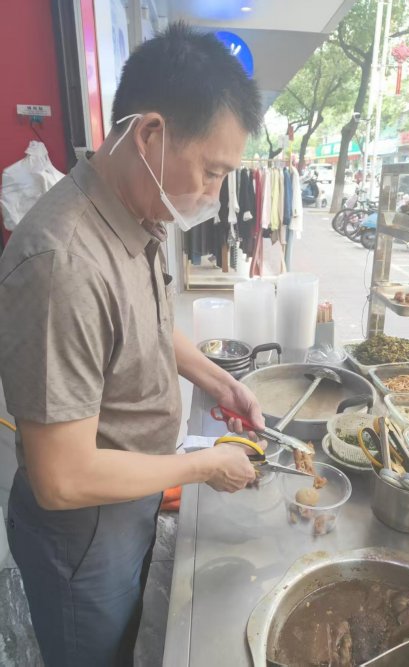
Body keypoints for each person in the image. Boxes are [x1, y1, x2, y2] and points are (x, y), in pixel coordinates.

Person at [0, 23, 264, 667]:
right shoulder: (64, 263)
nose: (213, 197)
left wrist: (218, 380)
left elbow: (146, 322)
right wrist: (204, 465)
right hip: (85, 533)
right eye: (211, 172)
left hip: (129, 496)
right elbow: (63, 477)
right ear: (150, 134)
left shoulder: (133, 213)